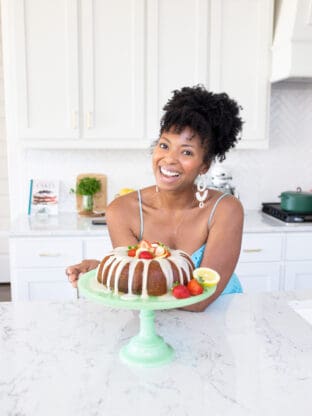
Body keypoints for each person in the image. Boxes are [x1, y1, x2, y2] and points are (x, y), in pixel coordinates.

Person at [66, 85, 244, 312]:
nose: (169, 159)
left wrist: (131, 283)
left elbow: (200, 300)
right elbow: (138, 284)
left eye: (187, 152)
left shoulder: (225, 210)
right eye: (164, 145)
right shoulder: (122, 211)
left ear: (204, 165)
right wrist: (105, 271)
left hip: (220, 315)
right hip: (156, 324)